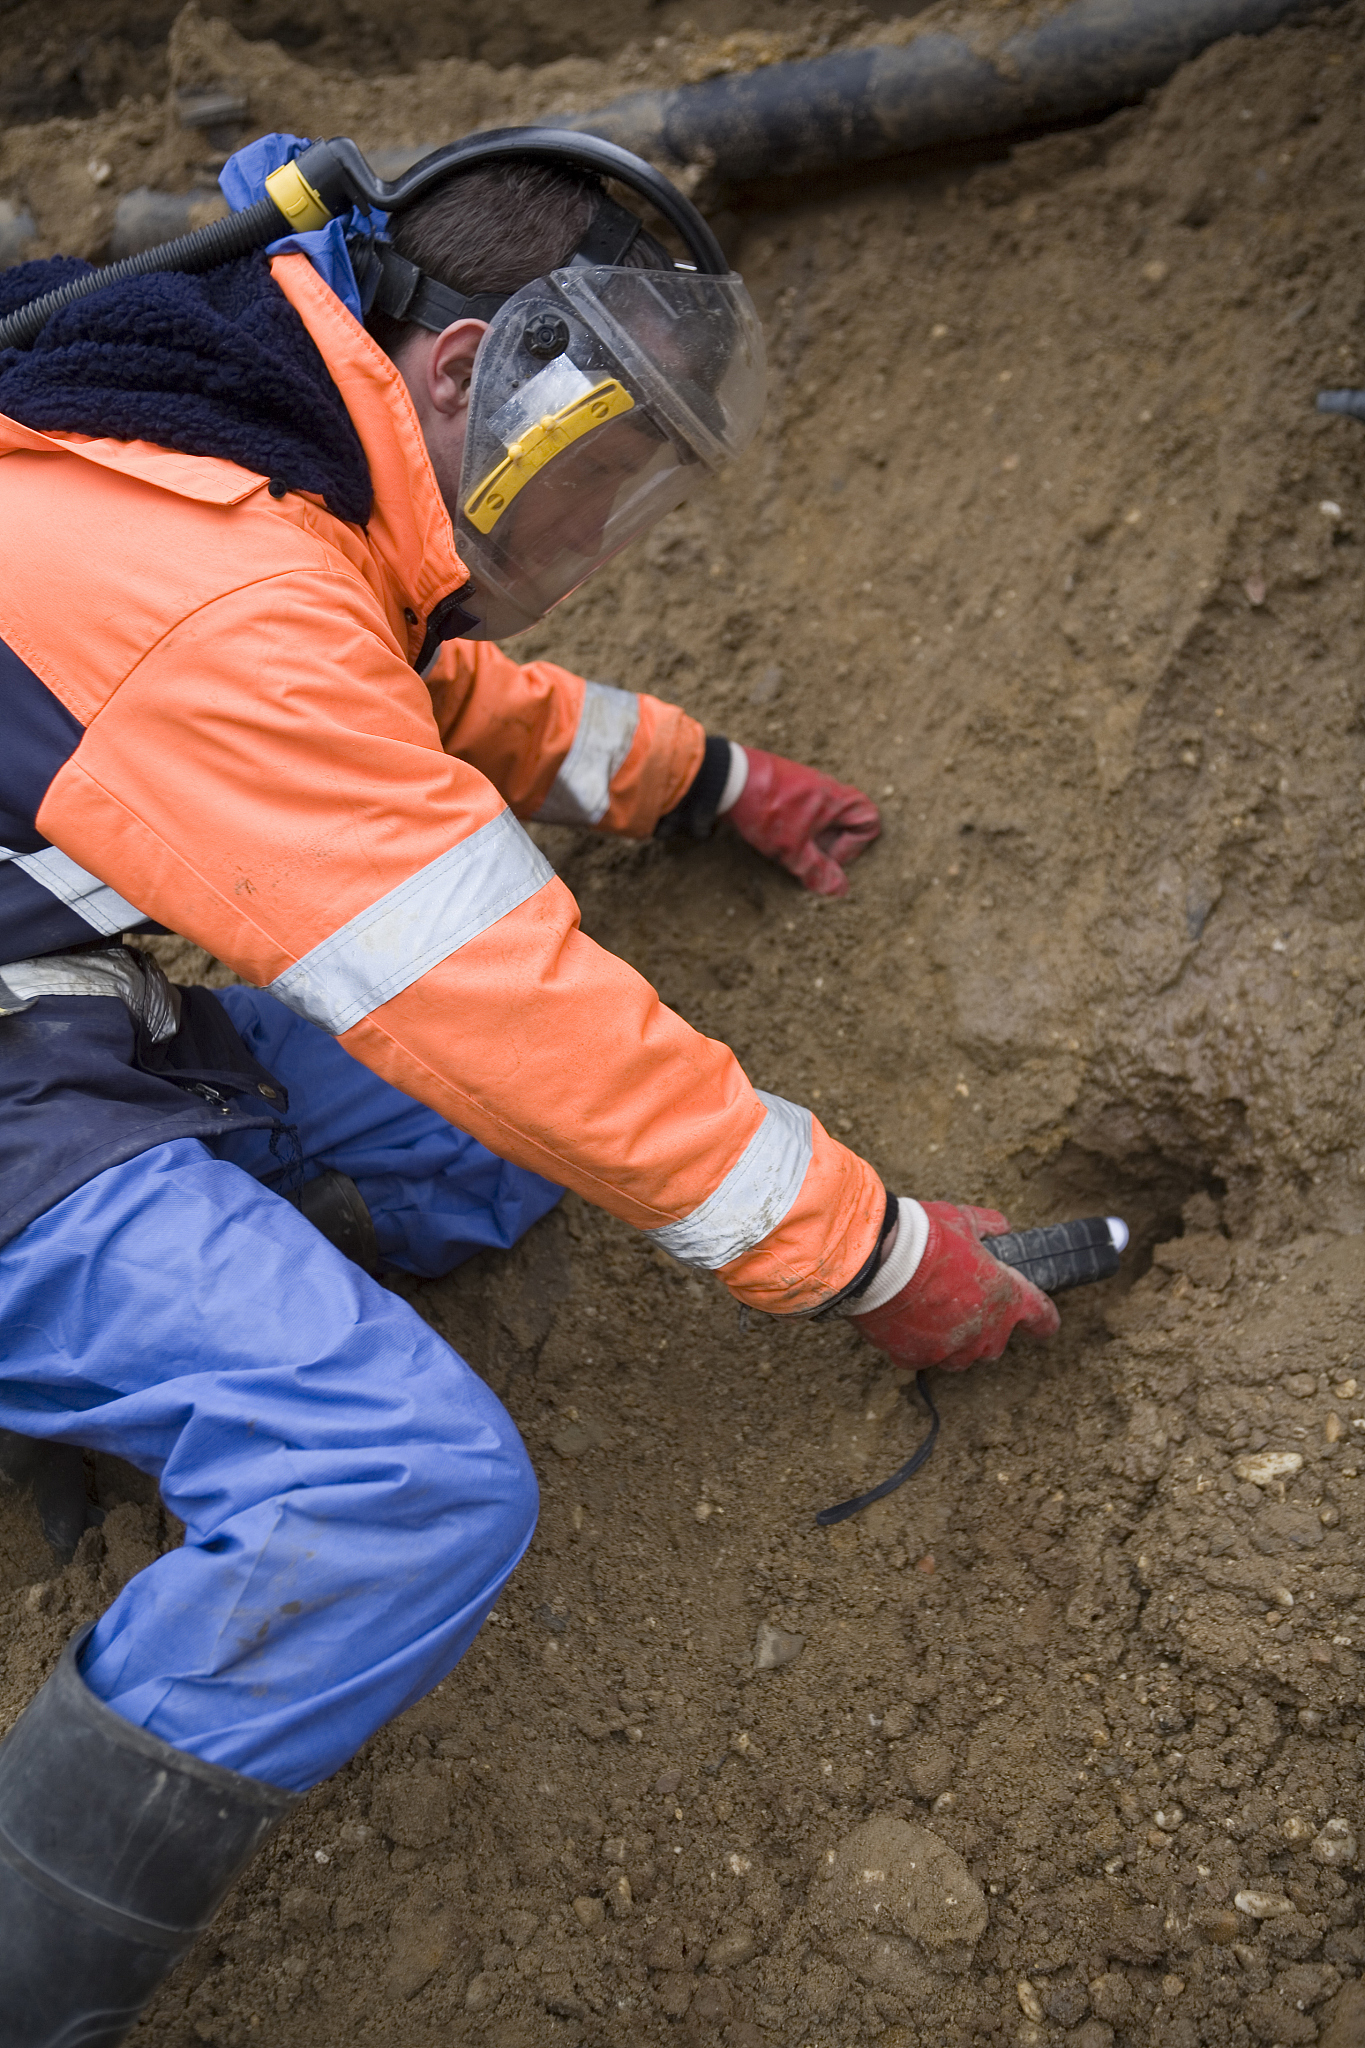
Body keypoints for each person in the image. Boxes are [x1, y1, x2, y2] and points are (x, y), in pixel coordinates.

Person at [0, 132, 1058, 2042]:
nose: (602, 524)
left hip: (71, 1005)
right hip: (30, 1051)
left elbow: (406, 693)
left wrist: (704, 777)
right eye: (602, 466)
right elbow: (502, 1001)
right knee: (401, 1485)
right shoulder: (211, 589)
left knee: (473, 1156)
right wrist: (877, 1253)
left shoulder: (228, 441)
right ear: (464, 369)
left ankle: (140, 1331)